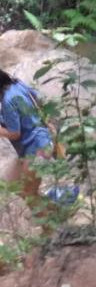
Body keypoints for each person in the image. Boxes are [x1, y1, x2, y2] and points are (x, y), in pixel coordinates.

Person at [0, 68, 53, 200]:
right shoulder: (17, 85)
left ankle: (53, 214)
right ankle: (53, 212)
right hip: (41, 141)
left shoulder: (7, 101)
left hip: (36, 149)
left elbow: (15, 134)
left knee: (28, 193)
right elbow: (37, 98)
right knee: (12, 187)